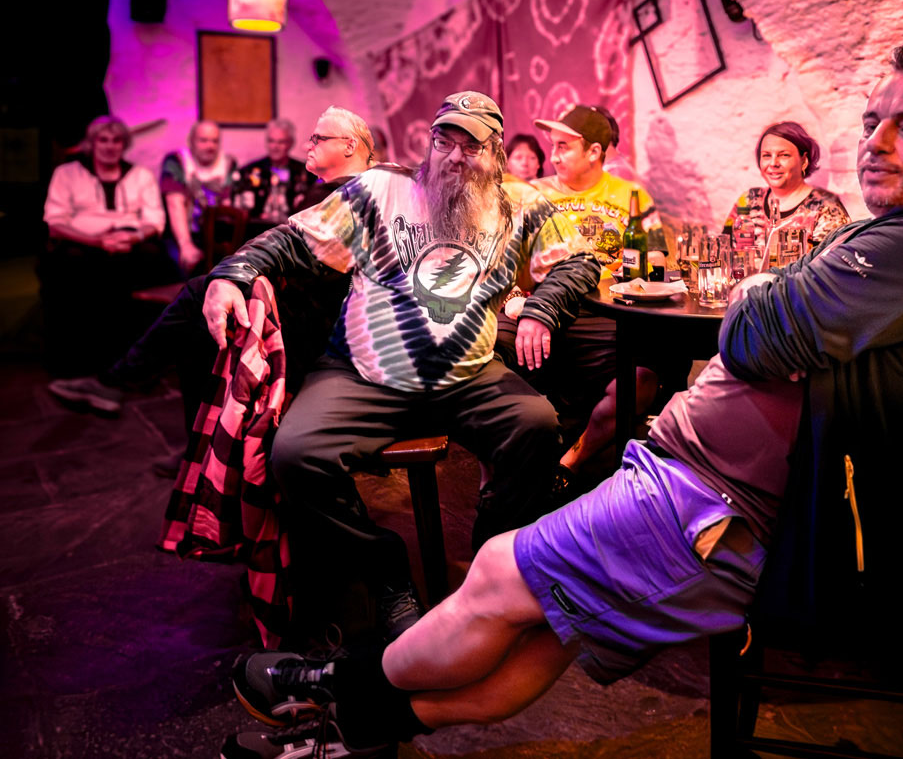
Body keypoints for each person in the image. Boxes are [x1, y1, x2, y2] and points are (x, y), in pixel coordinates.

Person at [220, 43, 903, 758]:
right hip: (703, 489)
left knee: (500, 567)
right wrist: (233, 272)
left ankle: (334, 687)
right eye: (873, 121)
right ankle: (357, 722)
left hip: (718, 508)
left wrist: (752, 290)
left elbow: (748, 331)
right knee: (544, 627)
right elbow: (776, 315)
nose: (876, 142)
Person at [200, 91, 599, 647]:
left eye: (472, 146)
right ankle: (385, 572)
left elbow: (579, 259)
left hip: (467, 375)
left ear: (497, 152)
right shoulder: (380, 190)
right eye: (444, 141)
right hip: (363, 374)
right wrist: (233, 274)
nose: (455, 156)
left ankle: (490, 564)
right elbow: (291, 240)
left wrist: (542, 309)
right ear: (429, 144)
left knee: (536, 425)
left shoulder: (520, 203)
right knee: (296, 454)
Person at [48, 108, 376, 429]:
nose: (307, 145)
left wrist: (232, 276)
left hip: (321, 319)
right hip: (312, 297)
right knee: (203, 302)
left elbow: (292, 245)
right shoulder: (342, 187)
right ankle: (137, 390)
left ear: (350, 147)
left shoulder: (345, 193)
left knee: (201, 297)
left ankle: (124, 383)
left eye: (318, 139)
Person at [496, 105, 682, 492]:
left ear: (595, 151)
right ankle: (507, 473)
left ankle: (572, 461)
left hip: (607, 316)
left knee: (645, 377)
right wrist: (513, 296)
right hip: (541, 310)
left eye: (563, 147)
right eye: (553, 146)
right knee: (488, 348)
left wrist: (644, 276)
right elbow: (501, 260)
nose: (553, 156)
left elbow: (657, 261)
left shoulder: (630, 195)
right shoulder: (534, 194)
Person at [39, 114, 175, 377]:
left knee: (150, 262)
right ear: (92, 143)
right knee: (72, 268)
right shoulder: (67, 174)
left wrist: (133, 237)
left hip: (129, 244)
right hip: (81, 244)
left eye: (116, 140)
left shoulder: (141, 175)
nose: (110, 146)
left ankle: (133, 361)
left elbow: (155, 220)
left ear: (124, 144)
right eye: (103, 140)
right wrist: (97, 241)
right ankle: (78, 363)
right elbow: (55, 223)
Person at [727, 120, 850, 251]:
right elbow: (723, 249)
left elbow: (833, 261)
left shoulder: (826, 208)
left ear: (804, 161)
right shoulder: (748, 200)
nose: (773, 163)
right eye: (766, 155)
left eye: (784, 155)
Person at [161, 120, 238, 274]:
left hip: (213, 236)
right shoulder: (177, 161)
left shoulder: (228, 163)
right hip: (180, 235)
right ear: (191, 141)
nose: (210, 146)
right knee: (184, 266)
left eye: (215, 141)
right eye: (203, 140)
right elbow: (175, 204)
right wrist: (185, 245)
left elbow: (227, 205)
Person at [233, 119, 316, 228]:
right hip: (256, 230)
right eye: (271, 141)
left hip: (293, 231)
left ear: (291, 143)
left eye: (281, 142)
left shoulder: (305, 171)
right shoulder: (249, 171)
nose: (275, 146)